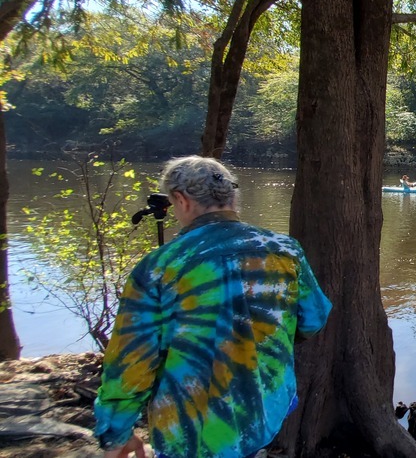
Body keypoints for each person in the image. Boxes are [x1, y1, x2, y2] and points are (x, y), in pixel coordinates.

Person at [95, 156, 332, 458]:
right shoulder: (285, 249)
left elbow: (130, 363)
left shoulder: (159, 267)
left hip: (191, 430)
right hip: (263, 411)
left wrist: (115, 433)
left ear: (180, 200)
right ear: (232, 197)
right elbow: (313, 319)